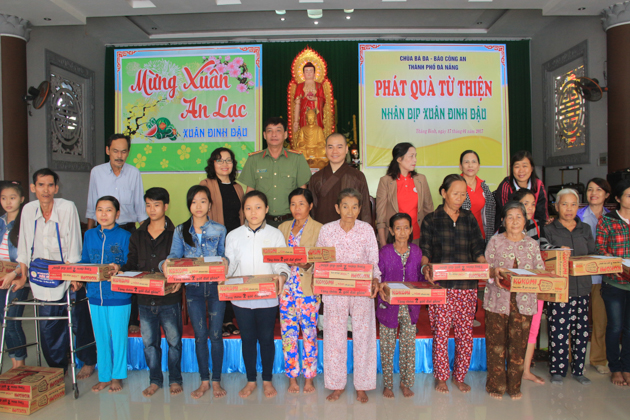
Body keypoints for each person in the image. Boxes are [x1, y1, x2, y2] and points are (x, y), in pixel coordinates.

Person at [13, 168, 96, 377]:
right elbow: (24, 245)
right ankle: (58, 368)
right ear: (33, 188)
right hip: (42, 276)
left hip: (67, 271)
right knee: (49, 326)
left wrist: (74, 275)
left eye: (50, 185)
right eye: (41, 185)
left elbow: (74, 243)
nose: (46, 190)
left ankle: (88, 360)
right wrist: (22, 274)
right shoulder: (28, 210)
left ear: (56, 188)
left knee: (78, 319)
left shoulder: (67, 207)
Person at [420, 174, 488, 394]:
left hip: (467, 286)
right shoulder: (431, 219)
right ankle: (441, 377)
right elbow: (425, 250)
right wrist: (425, 268)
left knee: (464, 334)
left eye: (463, 194)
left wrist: (483, 265)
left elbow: (477, 248)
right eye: (455, 193)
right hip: (441, 287)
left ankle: (459, 376)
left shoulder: (469, 219)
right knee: (440, 333)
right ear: (443, 193)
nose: (460, 198)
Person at [161, 185, 227, 399]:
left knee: (216, 335)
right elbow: (173, 257)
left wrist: (225, 263)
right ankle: (204, 381)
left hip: (216, 287)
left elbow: (224, 256)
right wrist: (166, 265)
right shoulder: (181, 231)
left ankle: (216, 381)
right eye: (194, 202)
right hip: (193, 289)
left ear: (210, 204)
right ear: (189, 205)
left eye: (203, 201)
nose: (198, 206)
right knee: (200, 336)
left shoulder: (220, 229)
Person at [316, 188, 381, 403]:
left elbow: (373, 260)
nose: (350, 211)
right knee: (334, 336)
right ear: (337, 208)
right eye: (345, 206)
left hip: (361, 290)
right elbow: (320, 260)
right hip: (335, 291)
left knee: (364, 335)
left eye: (354, 207)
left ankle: (362, 385)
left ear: (360, 209)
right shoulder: (327, 230)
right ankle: (336, 384)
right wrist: (320, 281)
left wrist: (375, 280)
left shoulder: (366, 230)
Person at [225, 190, 290, 399]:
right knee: (248, 339)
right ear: (243, 211)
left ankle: (268, 380)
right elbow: (230, 266)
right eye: (248, 208)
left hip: (267, 297)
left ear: (267, 209)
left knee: (266, 338)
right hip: (241, 299)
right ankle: (251, 380)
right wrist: (222, 273)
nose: (253, 212)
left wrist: (282, 275)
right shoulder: (233, 235)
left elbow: (281, 262)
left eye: (258, 207)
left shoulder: (275, 234)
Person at [119, 187, 183, 397]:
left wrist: (179, 281)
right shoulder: (137, 235)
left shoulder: (176, 234)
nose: (152, 209)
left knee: (174, 342)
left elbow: (181, 263)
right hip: (145, 299)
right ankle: (155, 380)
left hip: (169, 297)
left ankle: (175, 379)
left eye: (156, 205)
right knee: (149, 344)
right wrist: (120, 270)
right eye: (148, 205)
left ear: (166, 206)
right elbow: (131, 262)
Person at [86, 133, 147, 333]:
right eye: (115, 151)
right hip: (102, 232)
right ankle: (103, 312)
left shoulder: (134, 173)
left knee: (128, 272)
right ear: (107, 151)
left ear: (128, 152)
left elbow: (140, 209)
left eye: (123, 151)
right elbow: (91, 207)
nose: (119, 156)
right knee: (105, 272)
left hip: (127, 231)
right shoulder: (97, 172)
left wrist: (144, 238)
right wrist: (90, 234)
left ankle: (132, 319)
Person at [484, 201, 542, 400]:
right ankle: (496, 385)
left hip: (524, 302)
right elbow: (486, 269)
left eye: (519, 217)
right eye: (510, 217)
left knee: (518, 346)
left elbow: (540, 271)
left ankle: (514, 387)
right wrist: (494, 272)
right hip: (497, 301)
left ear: (525, 220)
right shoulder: (495, 241)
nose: (515, 221)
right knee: (496, 345)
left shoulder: (532, 244)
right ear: (503, 221)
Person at [79, 196, 131, 393]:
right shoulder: (89, 235)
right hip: (94, 295)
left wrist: (120, 268)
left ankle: (118, 376)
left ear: (117, 214)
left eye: (109, 210)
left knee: (118, 338)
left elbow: (130, 263)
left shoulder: (125, 236)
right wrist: (74, 272)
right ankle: (104, 376)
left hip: (119, 296)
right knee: (100, 338)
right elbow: (85, 260)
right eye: (99, 209)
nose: (103, 214)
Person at [500, 188, 550, 385]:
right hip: (510, 288)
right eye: (525, 204)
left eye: (532, 204)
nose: (530, 208)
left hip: (533, 286)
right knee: (510, 329)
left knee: (532, 328)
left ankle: (526, 370)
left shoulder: (537, 226)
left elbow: (545, 247)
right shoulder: (502, 231)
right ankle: (509, 368)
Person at [545, 188, 594, 385]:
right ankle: (557, 370)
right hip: (559, 288)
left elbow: (592, 253)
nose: (569, 208)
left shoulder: (585, 229)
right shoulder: (549, 229)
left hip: (582, 287)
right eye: (564, 204)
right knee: (558, 330)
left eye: (573, 204)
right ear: (556, 207)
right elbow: (544, 255)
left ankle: (578, 370)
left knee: (581, 331)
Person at [278, 188, 323, 394]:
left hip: (308, 290)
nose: (297, 208)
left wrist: (309, 264)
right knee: (288, 334)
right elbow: (275, 256)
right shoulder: (282, 228)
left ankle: (309, 377)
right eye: (293, 204)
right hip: (286, 290)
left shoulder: (319, 228)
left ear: (310, 206)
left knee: (309, 333)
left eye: (302, 204)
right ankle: (292, 377)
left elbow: (324, 258)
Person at [376, 213, 423, 399]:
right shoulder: (385, 252)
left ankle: (405, 383)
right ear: (391, 230)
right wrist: (380, 287)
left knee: (408, 347)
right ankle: (388, 384)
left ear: (411, 230)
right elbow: (378, 276)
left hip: (410, 307)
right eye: (398, 228)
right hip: (389, 306)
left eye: (406, 228)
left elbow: (420, 278)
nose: (402, 232)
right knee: (387, 347)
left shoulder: (417, 252)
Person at [200, 146, 244, 337]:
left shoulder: (238, 187)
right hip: (215, 241)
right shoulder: (206, 184)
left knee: (233, 278)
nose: (224, 164)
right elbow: (201, 213)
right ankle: (220, 321)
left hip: (236, 240)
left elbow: (242, 215)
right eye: (220, 160)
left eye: (228, 160)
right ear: (213, 164)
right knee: (218, 280)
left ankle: (230, 319)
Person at [238, 117, 312, 227]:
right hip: (262, 222)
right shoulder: (254, 160)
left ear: (285, 135)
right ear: (264, 135)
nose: (274, 134)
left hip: (290, 221)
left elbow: (303, 192)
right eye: (270, 131)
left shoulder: (297, 158)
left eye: (278, 130)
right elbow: (250, 193)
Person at [596, 178, 630, 387]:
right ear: (618, 198)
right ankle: (615, 367)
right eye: (629, 195)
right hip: (615, 282)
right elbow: (600, 249)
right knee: (615, 327)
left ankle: (627, 367)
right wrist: (616, 263)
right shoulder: (607, 221)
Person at [577, 178, 611, 375]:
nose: (593, 193)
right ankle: (572, 359)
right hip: (580, 276)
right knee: (576, 321)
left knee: (600, 320)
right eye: (590, 189)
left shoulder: (612, 217)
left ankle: (598, 359)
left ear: (606, 195)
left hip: (602, 277)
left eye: (598, 190)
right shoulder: (578, 215)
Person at [376, 142, 433, 247]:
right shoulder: (386, 181)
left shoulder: (421, 180)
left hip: (417, 237)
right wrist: (383, 243)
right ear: (399, 159)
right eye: (411, 156)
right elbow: (380, 215)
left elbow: (428, 210)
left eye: (415, 156)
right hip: (393, 238)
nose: (415, 160)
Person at [309, 133, 372, 225]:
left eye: (339, 147)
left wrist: (366, 231)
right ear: (325, 150)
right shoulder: (316, 178)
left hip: (351, 230)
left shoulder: (358, 176)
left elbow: (365, 209)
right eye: (330, 147)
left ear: (346, 149)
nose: (335, 151)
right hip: (323, 229)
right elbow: (312, 211)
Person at [0, 181, 29, 369]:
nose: (8, 202)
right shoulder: (1, 221)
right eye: (4, 198)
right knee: (4, 322)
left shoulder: (26, 223)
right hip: (2, 277)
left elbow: (28, 255)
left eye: (12, 198)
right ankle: (14, 365)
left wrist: (14, 273)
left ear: (21, 199)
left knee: (12, 322)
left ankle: (20, 364)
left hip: (18, 278)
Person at [494, 150, 548, 231]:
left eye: (525, 166)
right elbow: (506, 216)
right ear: (512, 169)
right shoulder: (506, 186)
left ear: (532, 168)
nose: (521, 170)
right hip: (509, 230)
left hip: (532, 228)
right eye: (517, 167)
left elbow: (542, 214)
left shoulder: (538, 185)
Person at [459, 150, 496, 242]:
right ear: (460, 166)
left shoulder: (484, 187)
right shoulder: (455, 185)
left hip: (481, 237)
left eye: (474, 162)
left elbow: (491, 212)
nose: (470, 165)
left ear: (478, 166)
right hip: (461, 237)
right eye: (466, 162)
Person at [292, 62, 326, 134]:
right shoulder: (300, 86)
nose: (309, 73)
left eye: (311, 71)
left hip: (316, 113)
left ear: (314, 73)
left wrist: (315, 99)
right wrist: (296, 121)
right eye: (306, 71)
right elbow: (297, 104)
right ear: (303, 74)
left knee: (317, 133)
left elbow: (323, 100)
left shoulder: (319, 86)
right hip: (304, 114)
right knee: (305, 133)